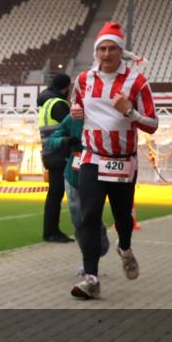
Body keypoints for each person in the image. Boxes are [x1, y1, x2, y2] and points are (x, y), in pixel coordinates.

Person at [69, 22, 158, 300]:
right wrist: (76, 112)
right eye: (102, 49)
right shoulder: (84, 80)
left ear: (122, 52)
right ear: (96, 52)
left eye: (112, 49)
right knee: (89, 215)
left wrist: (129, 111)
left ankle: (125, 248)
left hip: (122, 162)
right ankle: (91, 278)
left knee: (122, 218)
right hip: (92, 158)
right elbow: (78, 106)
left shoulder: (137, 82)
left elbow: (153, 124)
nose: (106, 54)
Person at [43, 107, 110, 273]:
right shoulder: (72, 118)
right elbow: (51, 140)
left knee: (90, 216)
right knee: (78, 221)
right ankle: (87, 259)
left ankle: (97, 236)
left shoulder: (105, 115)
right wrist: (65, 141)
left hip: (97, 172)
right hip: (73, 175)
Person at [38, 72, 74, 243]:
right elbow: (72, 126)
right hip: (60, 153)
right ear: (66, 87)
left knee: (54, 194)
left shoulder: (46, 103)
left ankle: (50, 230)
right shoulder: (59, 104)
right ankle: (52, 232)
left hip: (49, 152)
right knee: (56, 194)